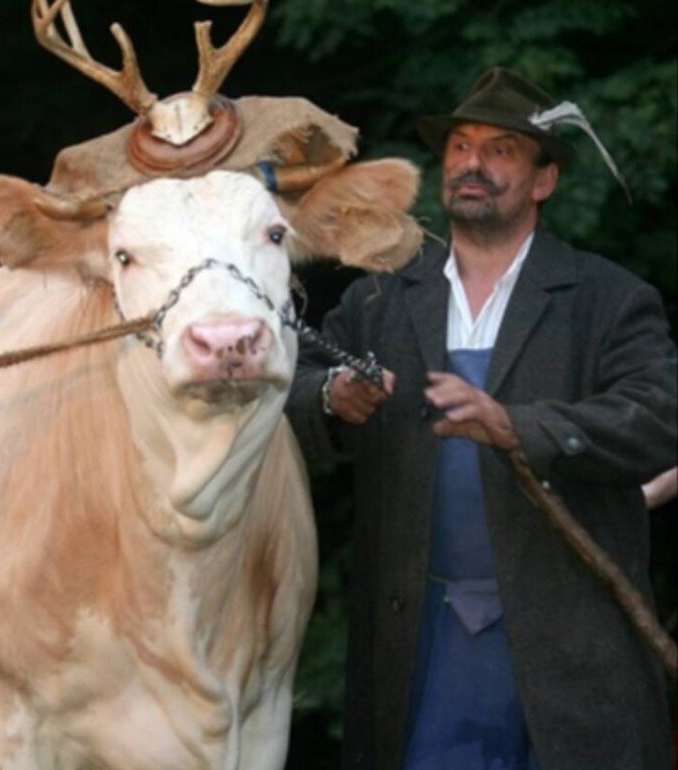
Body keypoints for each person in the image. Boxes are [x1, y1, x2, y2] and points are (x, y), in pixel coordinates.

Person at [286, 68, 676, 770]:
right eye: (461, 146)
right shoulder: (380, 300)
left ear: (543, 180)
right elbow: (284, 389)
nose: (472, 163)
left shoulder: (609, 299)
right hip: (418, 644)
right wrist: (330, 397)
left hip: (573, 648)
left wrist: (518, 426)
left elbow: (657, 419)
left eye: (501, 150)